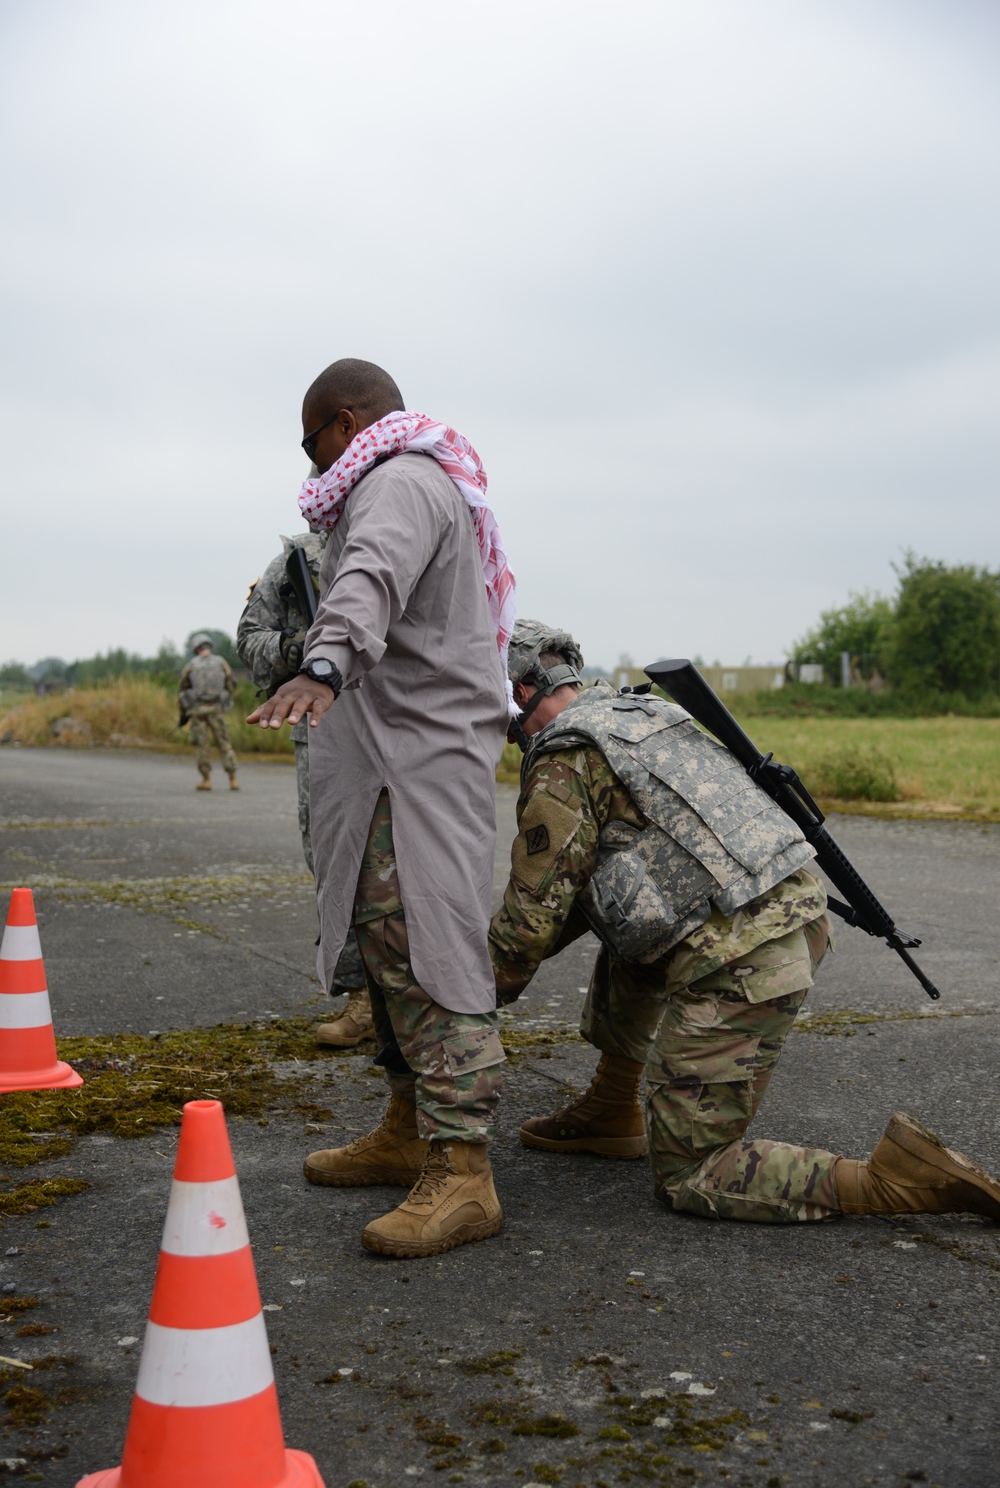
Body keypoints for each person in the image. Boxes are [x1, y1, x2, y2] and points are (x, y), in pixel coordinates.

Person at [488, 619, 1000, 1226]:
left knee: (691, 1174)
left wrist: (448, 1007)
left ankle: (893, 1180)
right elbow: (574, 895)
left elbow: (527, 930)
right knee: (627, 926)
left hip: (743, 959)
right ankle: (610, 1108)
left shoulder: (566, 760)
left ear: (518, 691)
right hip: (786, 916)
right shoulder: (642, 715)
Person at [247, 358, 516, 1258]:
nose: (310, 461)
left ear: (347, 420)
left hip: (415, 773)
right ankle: (408, 1129)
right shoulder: (406, 479)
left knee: (428, 952)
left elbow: (366, 579)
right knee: (386, 958)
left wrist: (321, 663)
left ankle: (463, 1171)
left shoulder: (398, 481)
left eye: (310, 438)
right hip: (383, 772)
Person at [237, 531, 372, 1047]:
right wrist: (303, 648)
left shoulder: (399, 540)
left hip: (402, 728)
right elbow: (250, 639)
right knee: (337, 860)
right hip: (322, 726)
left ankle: (415, 995)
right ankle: (365, 999)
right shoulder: (297, 562)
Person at [178, 635, 239, 792]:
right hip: (216, 709)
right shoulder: (221, 662)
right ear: (209, 646)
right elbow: (231, 683)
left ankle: (206, 780)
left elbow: (182, 690)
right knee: (224, 744)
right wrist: (225, 702)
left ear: (196, 649)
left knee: (202, 746)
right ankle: (233, 779)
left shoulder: (191, 665)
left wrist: (183, 714)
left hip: (198, 712)